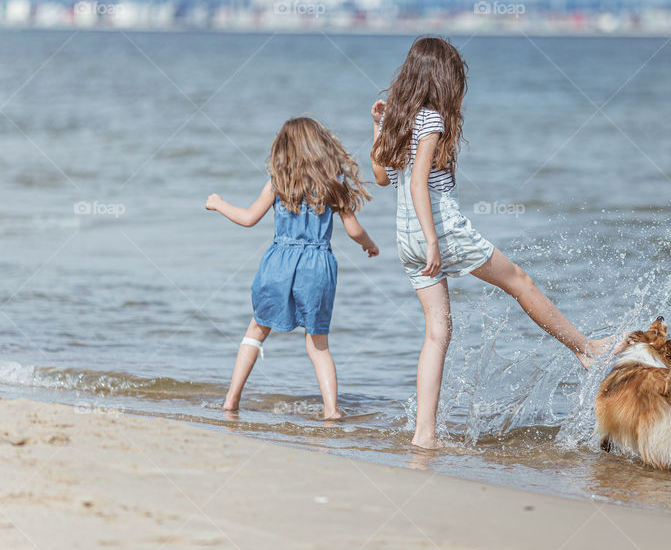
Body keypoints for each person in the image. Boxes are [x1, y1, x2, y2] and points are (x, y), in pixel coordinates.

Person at [370, 37, 612, 448]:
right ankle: (586, 349)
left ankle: (424, 436)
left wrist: (376, 125)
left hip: (404, 238)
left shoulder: (400, 121)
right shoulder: (430, 121)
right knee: (519, 280)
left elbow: (380, 177)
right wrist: (434, 241)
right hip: (439, 230)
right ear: (443, 82)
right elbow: (416, 183)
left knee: (436, 333)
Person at [206, 117, 378, 418]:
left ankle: (231, 400)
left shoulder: (278, 182)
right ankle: (331, 409)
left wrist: (218, 203)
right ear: (322, 147)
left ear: (283, 149)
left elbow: (248, 218)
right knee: (318, 344)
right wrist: (369, 244)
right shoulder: (334, 185)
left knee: (256, 330)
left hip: (279, 263)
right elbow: (353, 231)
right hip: (317, 267)